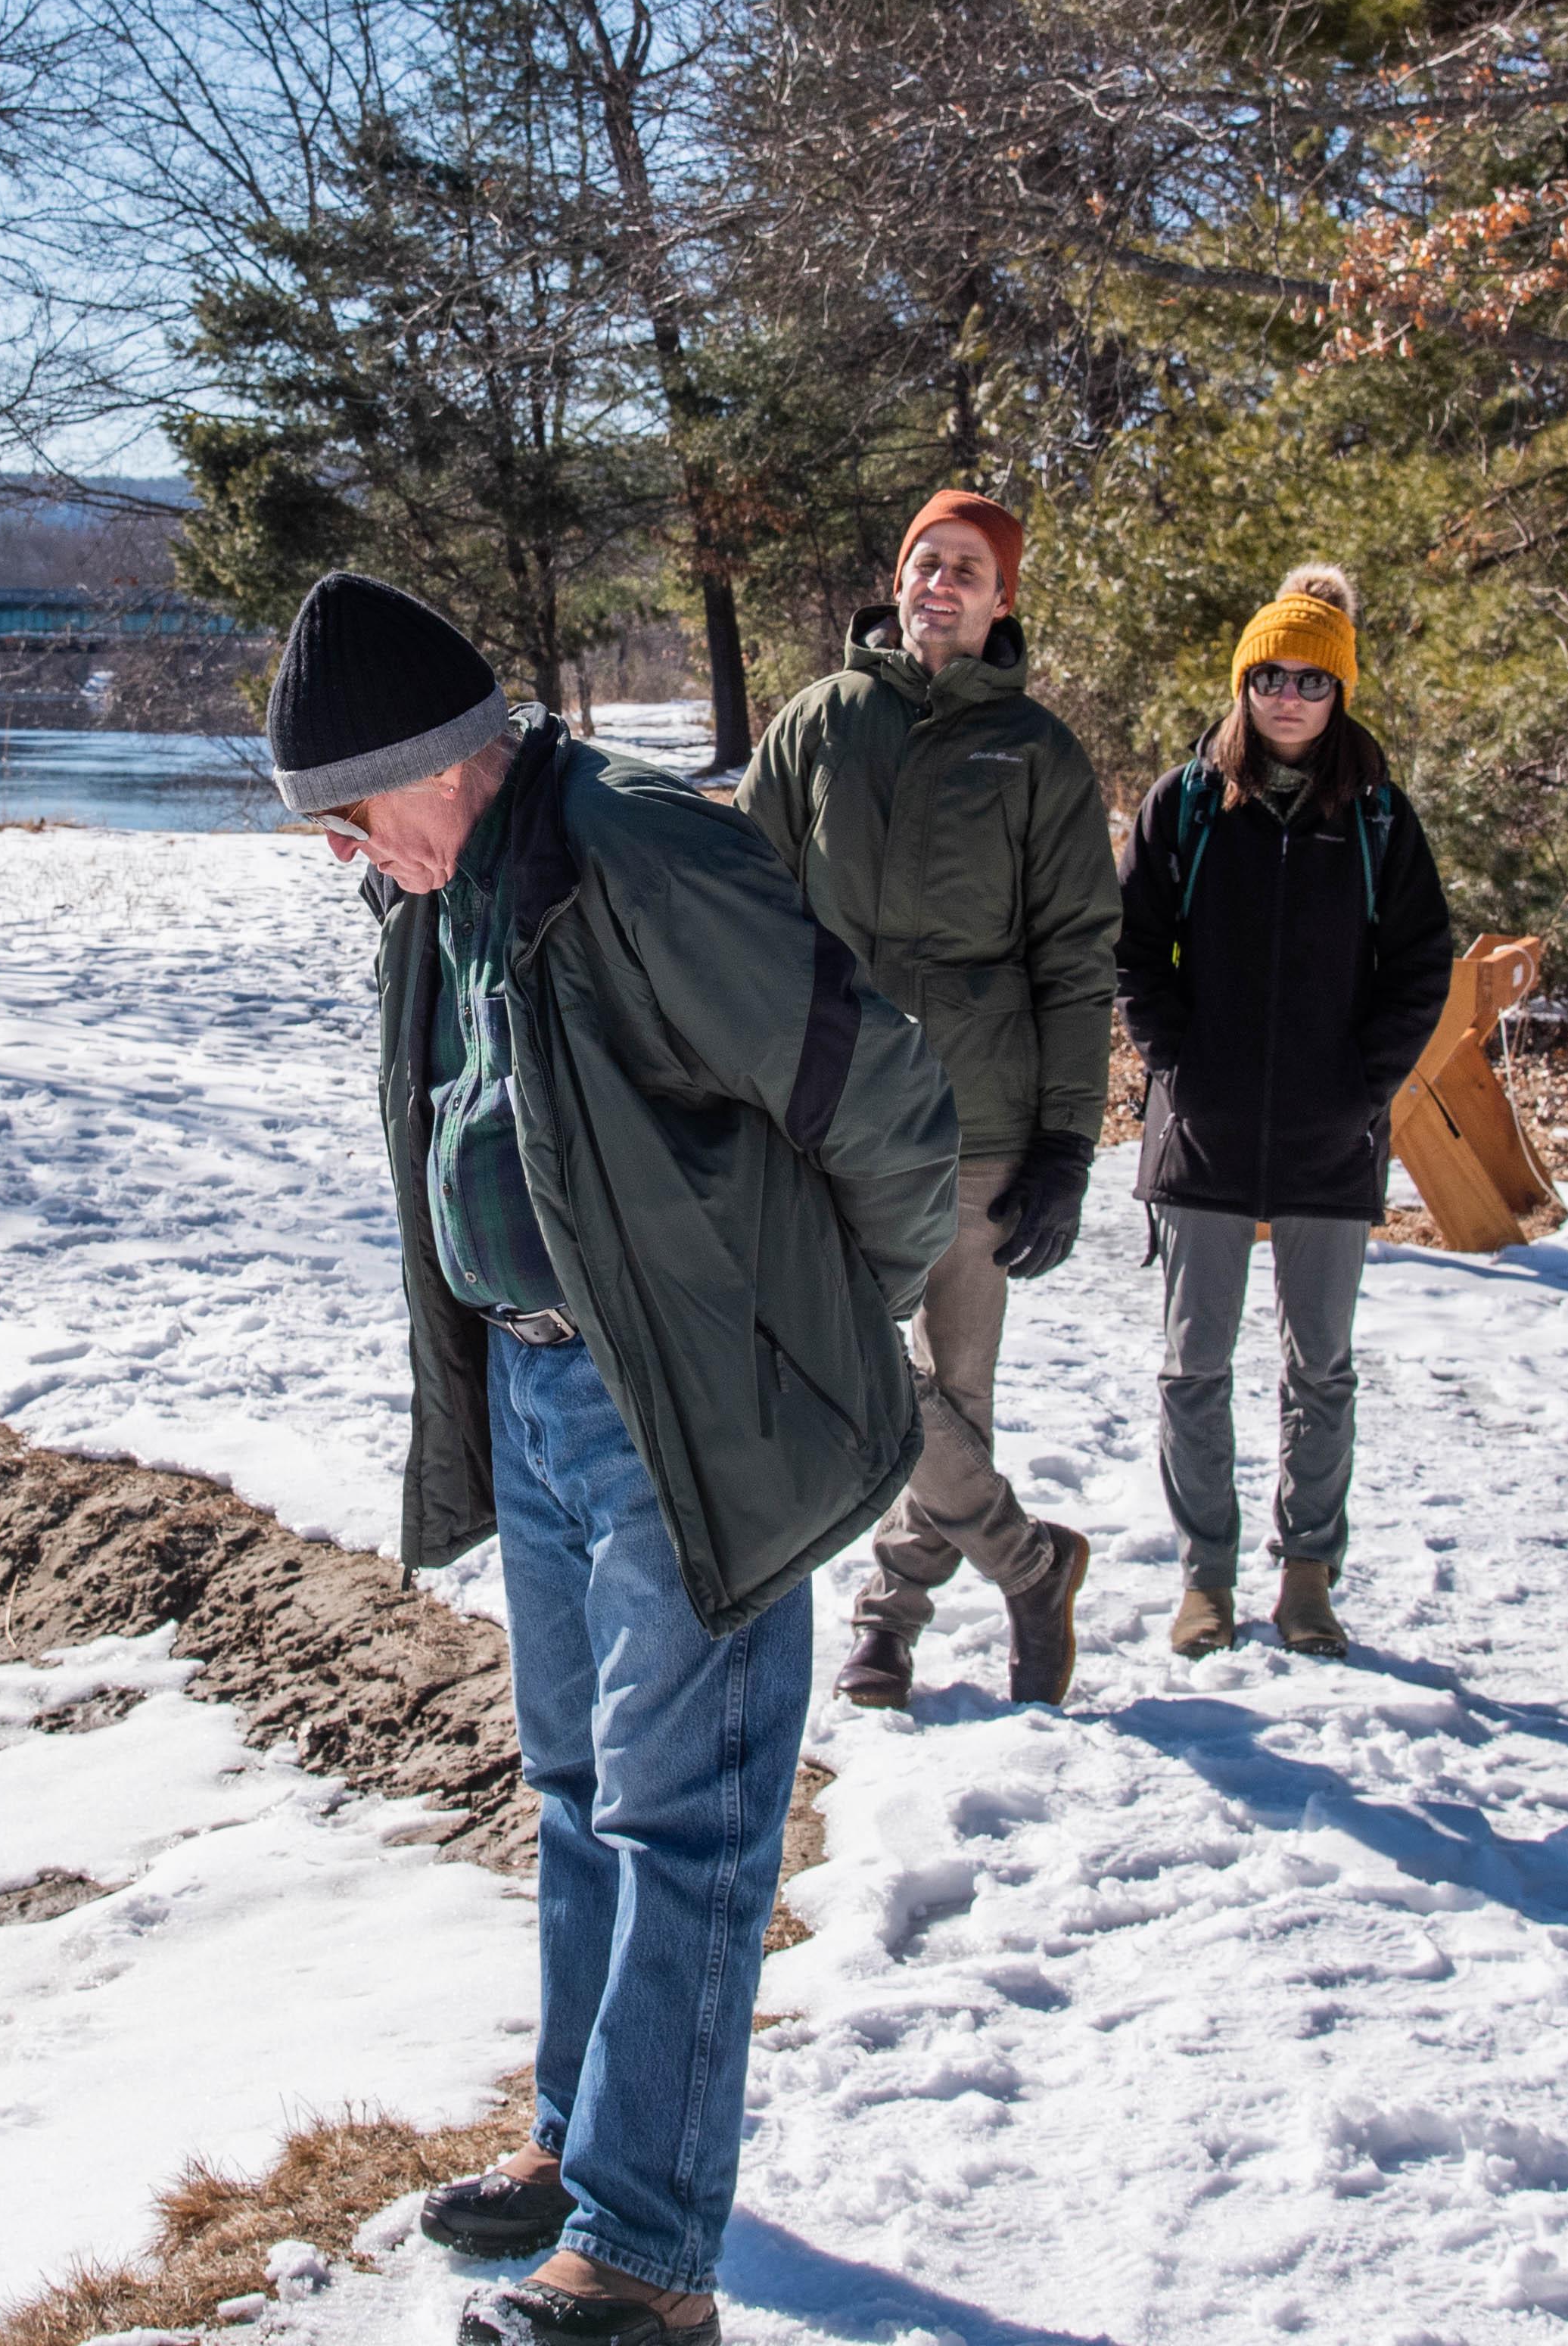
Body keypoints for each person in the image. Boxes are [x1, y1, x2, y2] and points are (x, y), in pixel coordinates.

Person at [275, 570, 957, 2344]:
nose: (350, 851)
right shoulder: (444, 893)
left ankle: (647, 2259)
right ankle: (586, 2149)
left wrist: (808, 1332)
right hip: (540, 1394)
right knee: (580, 1799)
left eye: (352, 810)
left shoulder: (639, 850)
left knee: (688, 1823)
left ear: (435, 760)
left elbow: (877, 1100)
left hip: (684, 1408)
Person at [739, 488, 1118, 1713]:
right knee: (861, 1369)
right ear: (896, 584)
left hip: (981, 1124)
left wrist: (1070, 1140)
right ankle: (1031, 1564)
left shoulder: (1040, 756)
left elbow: (1074, 957)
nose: (939, 586)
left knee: (957, 1389)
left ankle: (889, 1620)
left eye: (966, 570)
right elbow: (742, 908)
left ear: (1004, 598)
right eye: (923, 565)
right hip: (832, 1113)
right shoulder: (818, 725)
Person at [1114, 565, 1455, 1663]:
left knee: (1321, 1368)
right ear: (1244, 683)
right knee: (1193, 1368)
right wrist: (1180, 1066)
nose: (1291, 696)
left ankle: (1307, 1577)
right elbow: (1132, 953)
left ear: (1341, 691)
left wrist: (1363, 1089)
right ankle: (1204, 1579)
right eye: (1271, 676)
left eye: (1313, 678)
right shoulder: (1185, 806)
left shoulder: (1380, 818)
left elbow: (1418, 969)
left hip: (1330, 1136)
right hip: (1202, 1130)